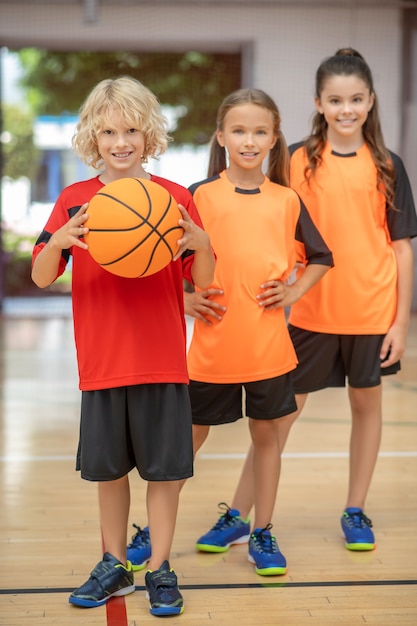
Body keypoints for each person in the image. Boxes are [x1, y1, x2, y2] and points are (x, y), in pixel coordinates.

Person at [210, 48, 417, 555]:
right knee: (277, 419)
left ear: (371, 102)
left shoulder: (389, 165)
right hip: (309, 311)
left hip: (371, 310)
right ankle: (239, 514)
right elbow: (267, 219)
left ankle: (355, 508)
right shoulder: (296, 159)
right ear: (319, 103)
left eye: (356, 99)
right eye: (335, 99)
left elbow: (402, 247)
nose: (346, 109)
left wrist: (400, 322)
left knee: (367, 406)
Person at [127, 88, 333, 576]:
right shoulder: (197, 196)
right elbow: (159, 265)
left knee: (268, 442)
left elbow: (322, 257)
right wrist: (183, 300)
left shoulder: (286, 200)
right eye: (239, 130)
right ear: (221, 137)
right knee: (183, 450)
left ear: (275, 139)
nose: (249, 140)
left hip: (268, 352)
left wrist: (293, 293)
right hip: (210, 356)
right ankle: (154, 532)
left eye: (260, 131)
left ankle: (261, 531)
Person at [31, 76, 215, 616]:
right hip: (102, 364)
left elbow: (202, 278)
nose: (121, 141)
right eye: (109, 131)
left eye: (132, 129)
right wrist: (59, 242)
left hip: (161, 362)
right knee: (108, 473)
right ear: (92, 136)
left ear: (149, 133)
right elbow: (42, 276)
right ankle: (114, 564)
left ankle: (159, 567)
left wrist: (203, 245)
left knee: (164, 474)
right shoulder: (74, 201)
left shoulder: (174, 199)